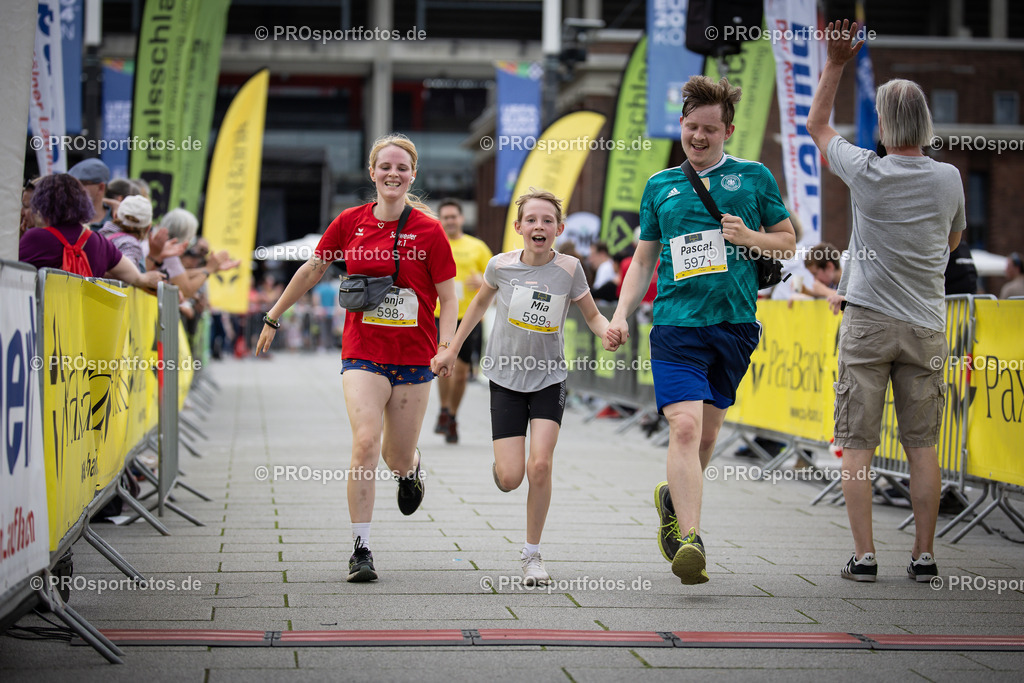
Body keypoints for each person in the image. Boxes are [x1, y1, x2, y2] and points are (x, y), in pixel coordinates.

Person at [604, 75, 796, 585]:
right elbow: (642, 261)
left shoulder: (754, 177)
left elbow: (789, 243)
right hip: (675, 326)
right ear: (682, 127)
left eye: (710, 129)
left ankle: (673, 498)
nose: (699, 137)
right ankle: (690, 539)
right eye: (692, 127)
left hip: (733, 326)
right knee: (684, 428)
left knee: (707, 437)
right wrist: (621, 315)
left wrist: (750, 235)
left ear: (727, 130)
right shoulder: (660, 186)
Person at [256, 133, 457, 583]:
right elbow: (313, 268)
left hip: (415, 358)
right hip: (363, 353)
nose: (393, 173)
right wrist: (273, 315)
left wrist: (447, 347)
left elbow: (448, 293)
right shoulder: (349, 222)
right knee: (365, 443)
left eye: (402, 168)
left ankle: (412, 469)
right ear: (372, 172)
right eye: (385, 166)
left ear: (413, 176)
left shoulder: (430, 230)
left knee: (396, 458)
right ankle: (361, 548)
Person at [806, 20, 966, 583]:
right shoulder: (949, 178)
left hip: (869, 322)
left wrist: (835, 63)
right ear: (925, 122)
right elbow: (952, 241)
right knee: (923, 445)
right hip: (925, 324)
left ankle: (865, 556)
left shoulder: (866, 171)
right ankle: (924, 557)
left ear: (882, 123)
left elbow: (817, 124)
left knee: (858, 443)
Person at [431, 189, 611, 586]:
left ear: (559, 228)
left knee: (540, 465)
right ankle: (503, 467)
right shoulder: (500, 266)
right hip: (506, 377)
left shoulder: (569, 268)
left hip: (549, 377)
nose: (539, 226)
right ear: (518, 228)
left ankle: (532, 555)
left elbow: (593, 315)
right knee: (512, 477)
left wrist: (608, 332)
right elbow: (477, 306)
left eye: (547, 220)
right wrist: (451, 349)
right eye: (531, 220)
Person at [19, 173, 164, 291]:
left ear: (42, 204)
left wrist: (19, 234)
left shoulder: (36, 238)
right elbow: (135, 277)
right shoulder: (99, 242)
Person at [432, 198, 493, 444]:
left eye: (453, 216)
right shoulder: (433, 243)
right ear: (440, 220)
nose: (449, 221)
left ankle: (452, 414)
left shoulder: (477, 247)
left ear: (461, 219)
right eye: (445, 217)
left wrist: (482, 281)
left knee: (461, 373)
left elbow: (495, 278)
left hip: (469, 318)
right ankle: (444, 409)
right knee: (442, 368)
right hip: (438, 315)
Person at [67, 158, 112, 229]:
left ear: (101, 187)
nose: (74, 189)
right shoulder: (66, 220)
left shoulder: (118, 222)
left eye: (82, 184)